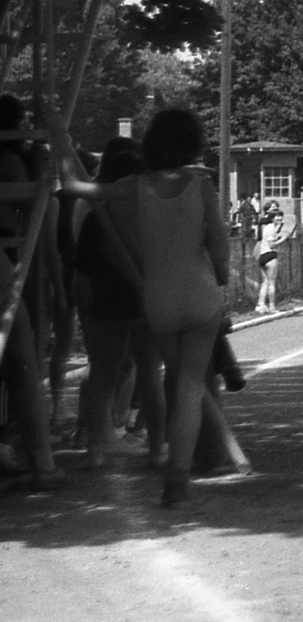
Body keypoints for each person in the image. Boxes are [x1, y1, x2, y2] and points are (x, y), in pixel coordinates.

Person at [56, 108, 235, 507]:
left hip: (158, 303)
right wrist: (217, 279)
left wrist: (58, 134)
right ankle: (176, 477)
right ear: (193, 143)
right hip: (199, 296)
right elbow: (221, 261)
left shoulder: (134, 187)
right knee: (189, 389)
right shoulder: (203, 188)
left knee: (174, 380)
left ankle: (169, 464)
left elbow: (72, 185)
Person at [63, 138, 167, 471]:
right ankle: (155, 448)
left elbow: (81, 264)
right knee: (148, 374)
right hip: (141, 299)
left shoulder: (96, 209)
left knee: (103, 377)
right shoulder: (150, 206)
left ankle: (96, 450)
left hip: (104, 301)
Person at [255, 209, 291, 313]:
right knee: (271, 283)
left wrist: (277, 236)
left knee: (265, 282)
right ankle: (272, 307)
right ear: (272, 218)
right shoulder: (271, 228)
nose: (279, 218)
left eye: (280, 216)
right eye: (277, 216)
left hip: (262, 256)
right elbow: (271, 245)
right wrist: (283, 239)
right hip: (270, 256)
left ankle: (261, 305)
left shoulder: (268, 228)